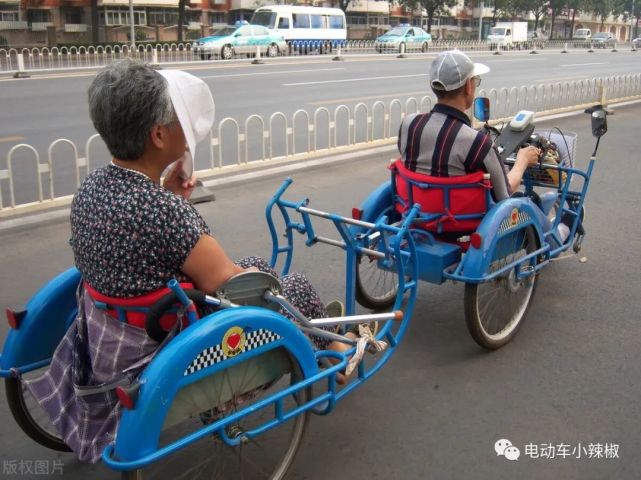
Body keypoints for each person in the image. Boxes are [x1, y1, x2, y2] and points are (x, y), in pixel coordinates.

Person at [25, 59, 356, 463]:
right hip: (168, 341)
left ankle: (330, 339)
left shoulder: (92, 190)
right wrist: (177, 207)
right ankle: (338, 346)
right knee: (293, 287)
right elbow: (229, 282)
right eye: (179, 118)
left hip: (114, 328)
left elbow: (143, 247)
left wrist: (171, 197)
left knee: (259, 265)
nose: (188, 128)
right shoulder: (164, 212)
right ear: (159, 135)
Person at [397, 49, 540, 201]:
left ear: (433, 86)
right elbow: (504, 195)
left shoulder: (408, 124)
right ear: (468, 87)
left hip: (413, 212)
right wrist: (522, 162)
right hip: (460, 223)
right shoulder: (477, 143)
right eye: (475, 80)